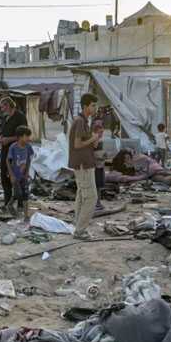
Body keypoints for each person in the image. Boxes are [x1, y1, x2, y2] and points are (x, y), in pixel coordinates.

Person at [69, 93, 101, 239]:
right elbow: (77, 144)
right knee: (91, 197)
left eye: (96, 105)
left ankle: (78, 225)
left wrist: (96, 138)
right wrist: (93, 138)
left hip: (86, 163)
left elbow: (89, 144)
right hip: (83, 164)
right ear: (85, 106)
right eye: (93, 105)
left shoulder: (86, 122)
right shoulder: (80, 121)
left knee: (82, 195)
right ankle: (80, 230)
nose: (95, 108)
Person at [0, 97, 28, 212]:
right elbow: (1, 131)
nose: (2, 109)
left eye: (3, 106)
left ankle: (20, 204)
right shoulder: (5, 117)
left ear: (8, 105)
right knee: (4, 177)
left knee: (17, 177)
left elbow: (24, 136)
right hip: (5, 151)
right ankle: (7, 202)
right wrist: (0, 138)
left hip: (17, 152)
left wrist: (9, 139)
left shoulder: (20, 117)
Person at [6, 125, 34, 221]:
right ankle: (10, 204)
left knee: (25, 194)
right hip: (15, 175)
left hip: (24, 175)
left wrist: (27, 172)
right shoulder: (13, 147)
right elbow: (8, 161)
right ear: (20, 137)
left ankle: (26, 216)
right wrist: (11, 175)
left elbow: (29, 159)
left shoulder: (28, 147)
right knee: (18, 194)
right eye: (27, 136)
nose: (28, 138)